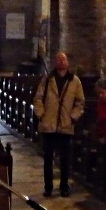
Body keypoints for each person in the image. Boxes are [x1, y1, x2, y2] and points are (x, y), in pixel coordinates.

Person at [33, 52, 85, 197]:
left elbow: (80, 102)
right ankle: (48, 187)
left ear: (67, 62)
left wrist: (73, 117)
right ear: (55, 62)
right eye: (58, 59)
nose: (61, 61)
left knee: (65, 159)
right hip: (49, 124)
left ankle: (64, 186)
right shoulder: (48, 79)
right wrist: (41, 115)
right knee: (48, 158)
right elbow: (38, 99)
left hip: (65, 124)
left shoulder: (75, 81)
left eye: (64, 59)